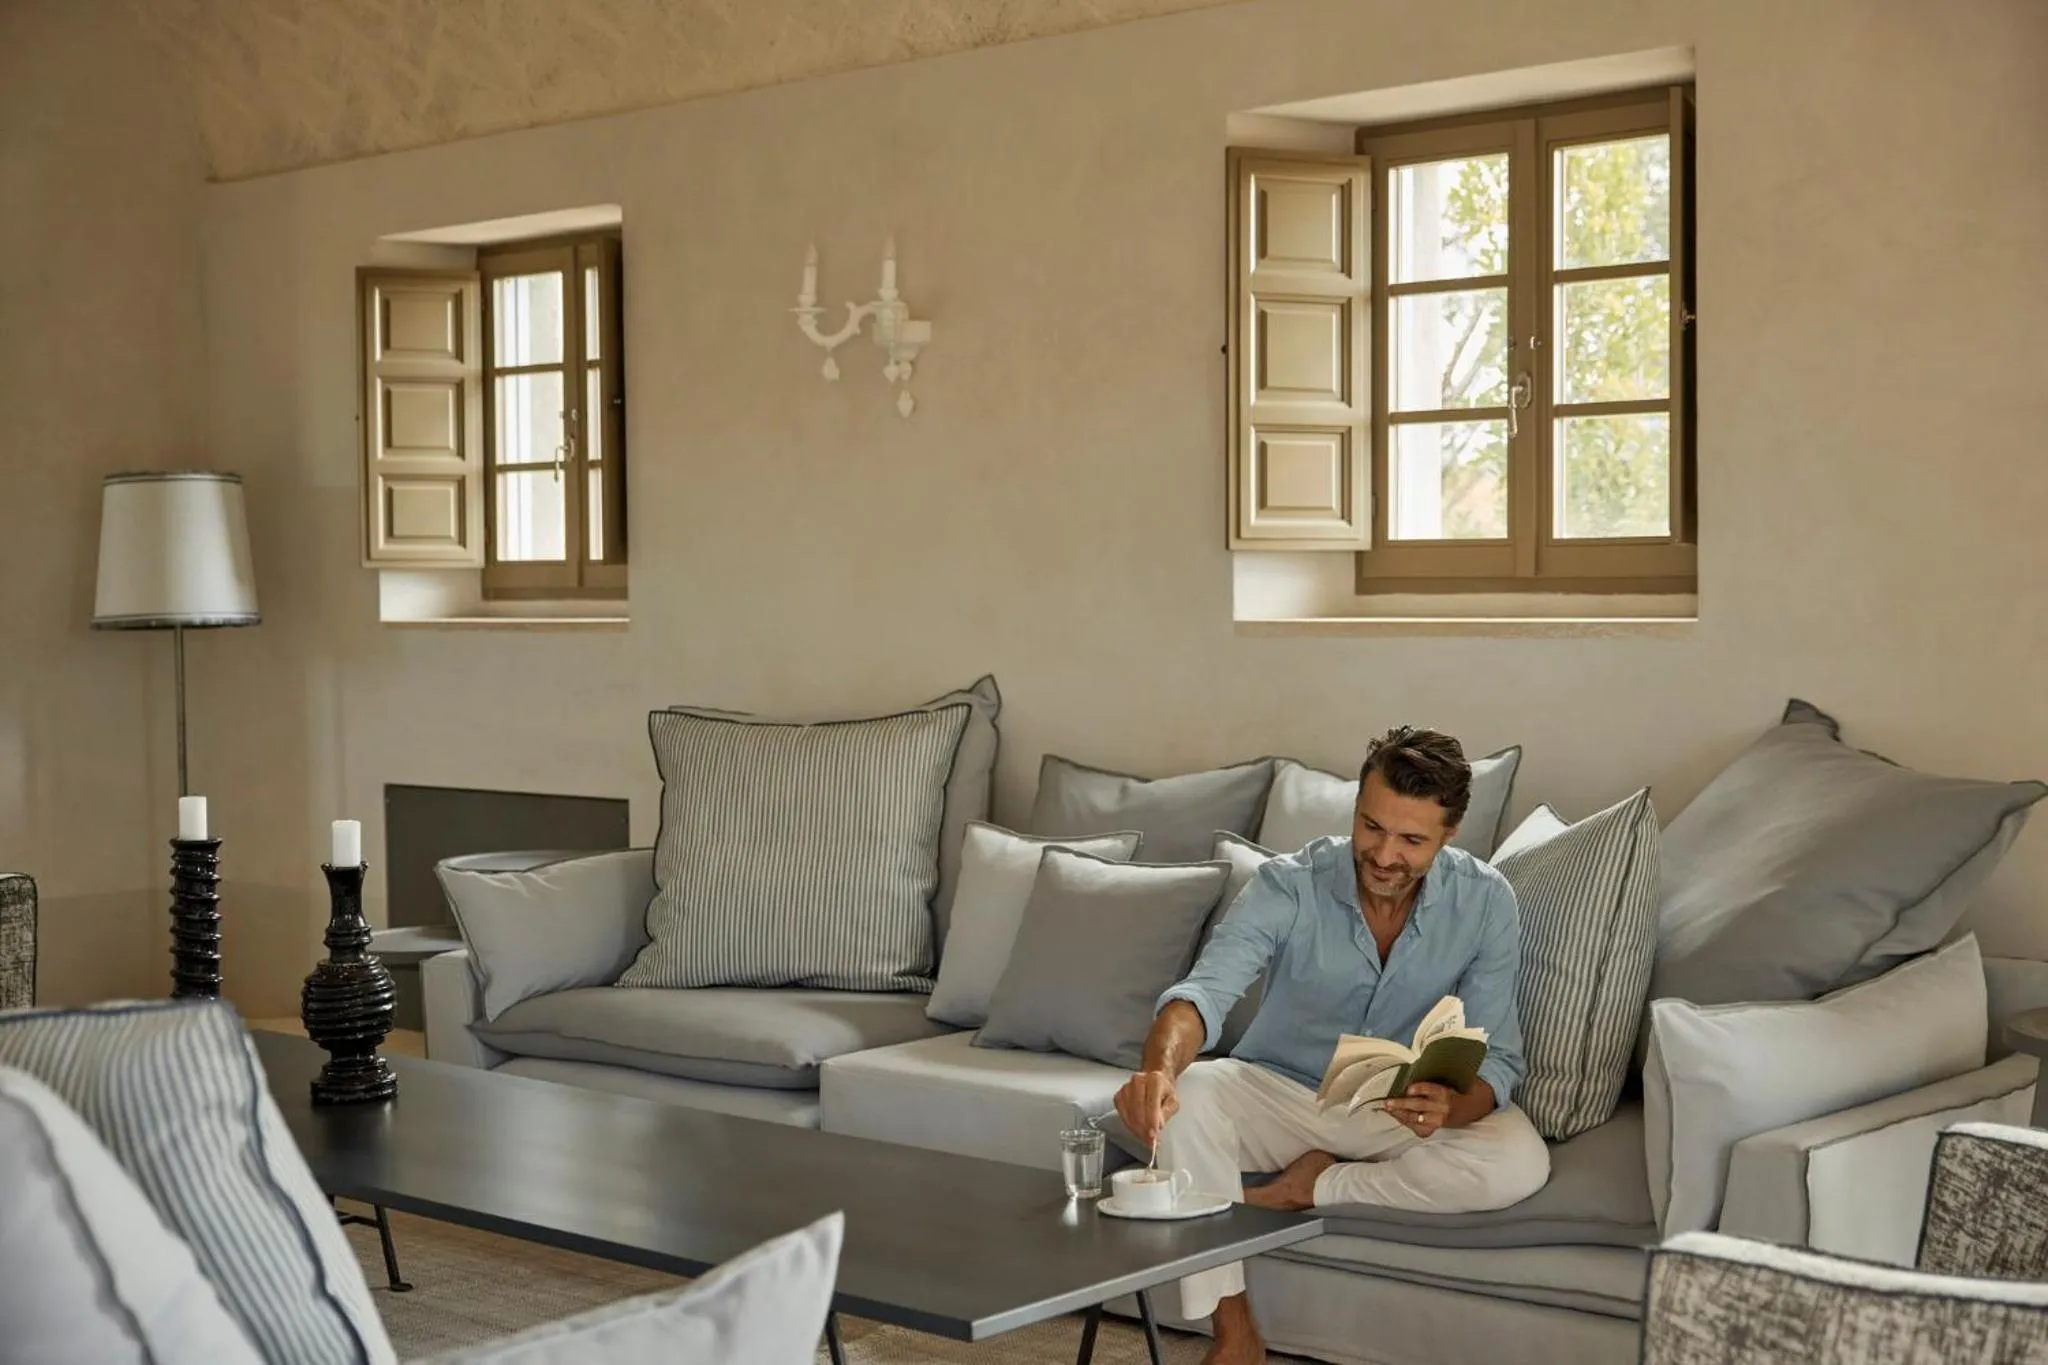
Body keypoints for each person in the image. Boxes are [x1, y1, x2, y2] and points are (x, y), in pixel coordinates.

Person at [1113, 726, 1550, 1365]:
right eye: (1372, 827)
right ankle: (1235, 1335)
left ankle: (1308, 1189)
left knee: (1518, 1160)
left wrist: (1452, 1107)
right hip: (1283, 1092)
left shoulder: (1486, 902)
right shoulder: (1287, 884)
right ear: (1356, 810)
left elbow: (1500, 1057)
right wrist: (1159, 1068)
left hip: (1395, 1112)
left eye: (1412, 840)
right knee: (1198, 1094)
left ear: (1449, 836)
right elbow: (1203, 994)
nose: (1383, 854)